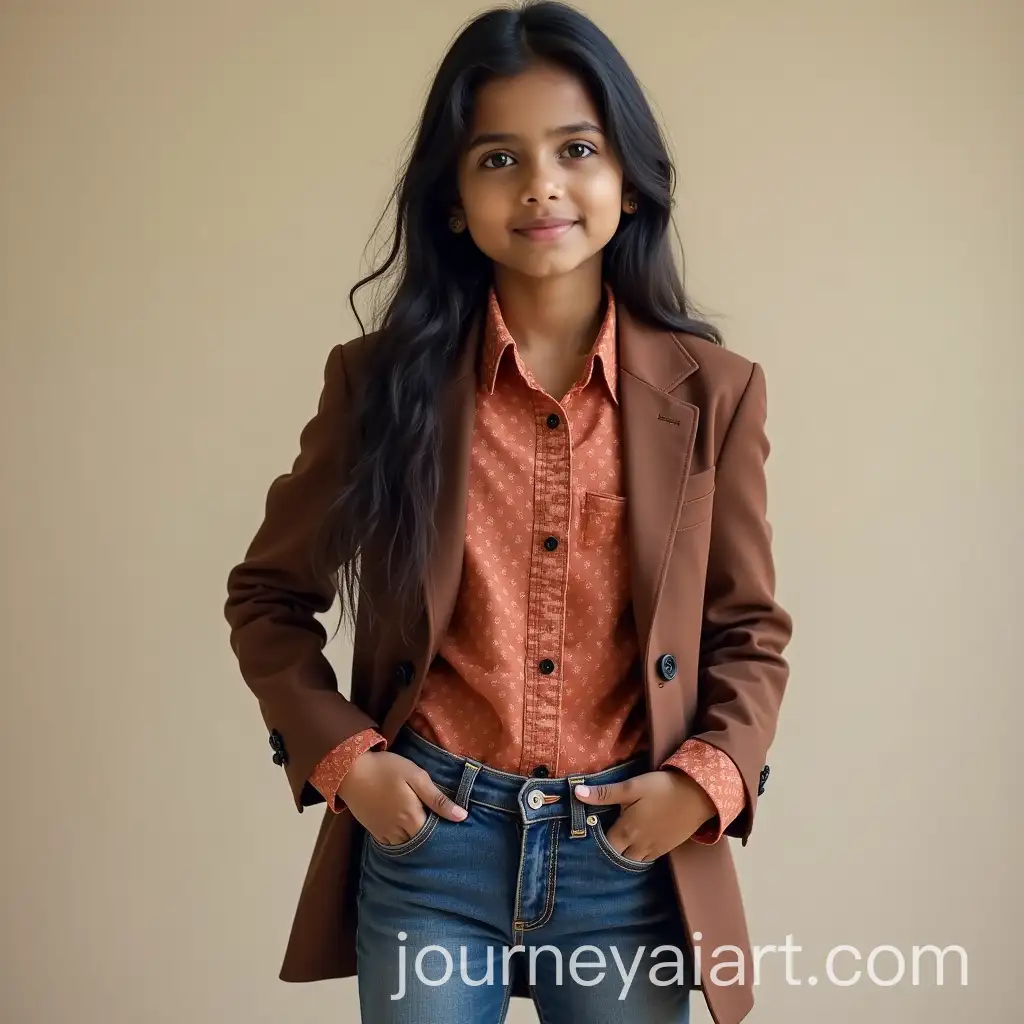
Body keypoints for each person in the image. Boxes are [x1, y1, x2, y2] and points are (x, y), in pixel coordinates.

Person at [223, 3, 793, 1022]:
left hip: (626, 859)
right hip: (433, 849)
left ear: (627, 176)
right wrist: (352, 765)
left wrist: (705, 782)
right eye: (497, 158)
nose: (541, 184)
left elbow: (747, 630)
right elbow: (269, 597)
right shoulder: (380, 384)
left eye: (576, 147)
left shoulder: (717, 393)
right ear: (452, 200)